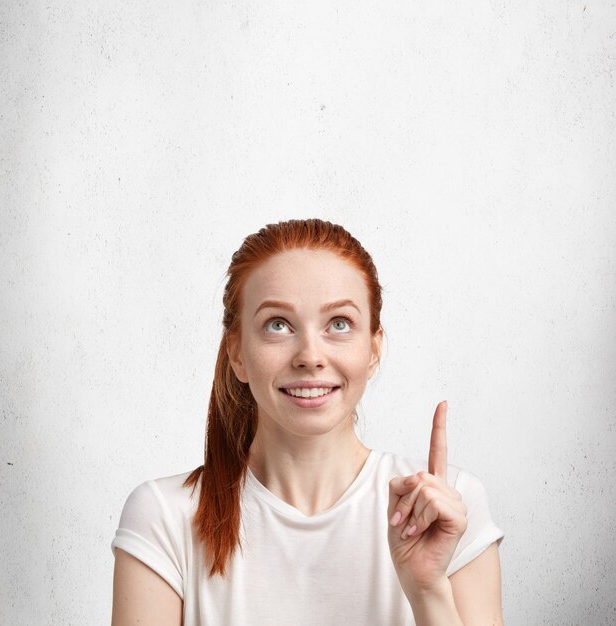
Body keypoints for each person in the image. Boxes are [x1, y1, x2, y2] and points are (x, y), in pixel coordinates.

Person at [110, 218, 504, 625]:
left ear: (373, 349)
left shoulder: (447, 507)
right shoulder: (164, 517)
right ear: (237, 353)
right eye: (278, 325)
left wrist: (427, 592)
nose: (310, 356)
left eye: (339, 324)